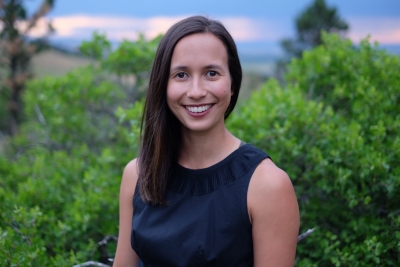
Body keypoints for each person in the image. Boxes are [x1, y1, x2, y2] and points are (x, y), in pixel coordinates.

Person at [113, 16, 299, 267]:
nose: (197, 91)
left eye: (211, 73)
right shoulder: (138, 174)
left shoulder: (268, 186)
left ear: (232, 83)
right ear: (162, 85)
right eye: (181, 75)